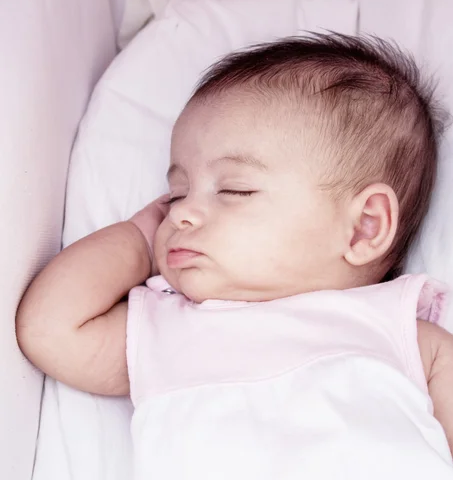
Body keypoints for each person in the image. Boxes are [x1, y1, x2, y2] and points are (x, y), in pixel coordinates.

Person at [16, 34, 453, 478]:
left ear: (364, 227)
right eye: (177, 193)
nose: (181, 212)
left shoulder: (398, 331)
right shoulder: (170, 327)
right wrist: (140, 240)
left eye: (233, 190)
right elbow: (49, 329)